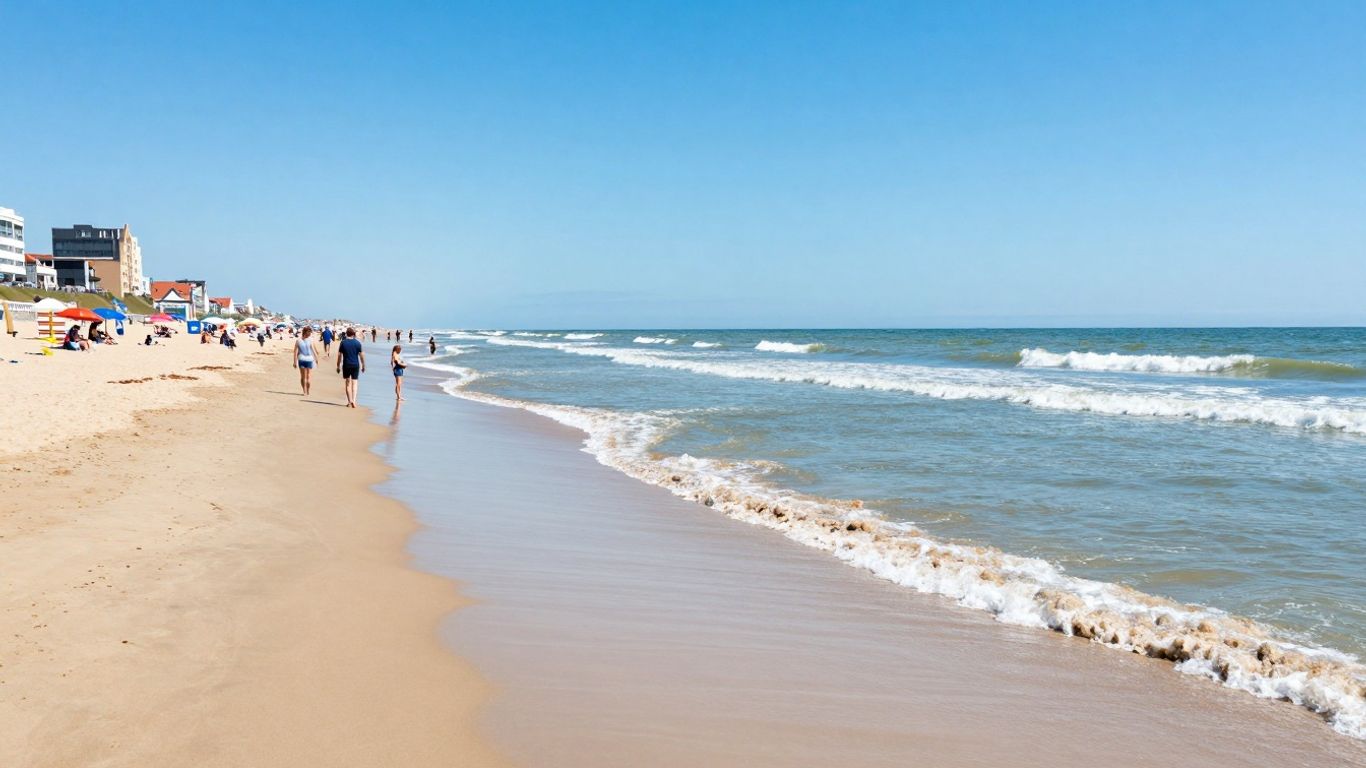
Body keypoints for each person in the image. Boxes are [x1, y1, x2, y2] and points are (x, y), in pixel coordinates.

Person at [336, 327, 366, 408]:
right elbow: (361, 355)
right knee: (355, 382)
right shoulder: (357, 343)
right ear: (353, 334)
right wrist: (363, 365)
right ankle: (354, 401)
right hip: (355, 365)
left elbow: (339, 355)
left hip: (346, 364)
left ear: (346, 334)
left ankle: (349, 401)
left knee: (348, 383)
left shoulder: (343, 343)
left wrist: (338, 366)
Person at [293, 326, 320, 395]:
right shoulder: (310, 340)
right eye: (309, 332)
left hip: (301, 359)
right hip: (309, 359)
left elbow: (295, 352)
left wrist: (295, 362)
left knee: (303, 376)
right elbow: (313, 351)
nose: (310, 334)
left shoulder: (298, 340)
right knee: (308, 377)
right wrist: (316, 359)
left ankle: (304, 391)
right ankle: (307, 391)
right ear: (306, 332)